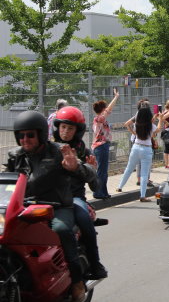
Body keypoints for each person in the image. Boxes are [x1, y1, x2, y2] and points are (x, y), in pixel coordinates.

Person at [6, 111, 90, 301]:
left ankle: (76, 281)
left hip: (56, 207)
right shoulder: (15, 156)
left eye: (30, 135)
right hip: (24, 208)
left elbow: (90, 175)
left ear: (41, 134)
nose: (25, 139)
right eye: (21, 135)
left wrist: (75, 167)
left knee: (61, 229)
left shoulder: (59, 151)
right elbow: (5, 181)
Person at [53, 106, 108, 280]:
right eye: (62, 127)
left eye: (70, 128)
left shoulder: (84, 152)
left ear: (77, 131)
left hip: (74, 199)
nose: (65, 132)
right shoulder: (48, 148)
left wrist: (91, 170)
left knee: (84, 218)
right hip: (50, 198)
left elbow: (95, 187)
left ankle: (95, 262)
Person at [116, 108, 162, 202]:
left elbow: (139, 125)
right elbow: (157, 129)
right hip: (146, 149)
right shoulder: (150, 125)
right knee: (144, 174)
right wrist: (160, 119)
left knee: (129, 168)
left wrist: (154, 118)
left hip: (136, 147)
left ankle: (119, 187)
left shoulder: (137, 124)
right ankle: (142, 196)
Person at [91, 88, 119, 199]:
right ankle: (98, 192)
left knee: (103, 171)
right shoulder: (99, 118)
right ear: (102, 109)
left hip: (103, 146)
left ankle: (103, 192)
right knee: (101, 171)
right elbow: (109, 110)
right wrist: (116, 97)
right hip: (101, 146)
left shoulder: (100, 119)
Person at [125, 98, 154, 186]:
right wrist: (134, 132)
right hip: (142, 140)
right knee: (146, 161)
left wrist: (133, 133)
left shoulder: (138, 115)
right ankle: (146, 180)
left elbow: (127, 124)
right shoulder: (144, 115)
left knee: (139, 162)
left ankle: (139, 180)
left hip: (136, 140)